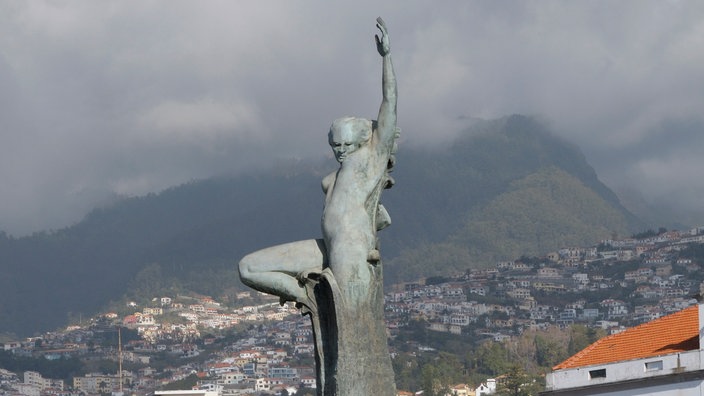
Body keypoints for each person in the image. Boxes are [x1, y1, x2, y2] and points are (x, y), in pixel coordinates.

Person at [238, 17, 397, 307]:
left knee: (351, 317)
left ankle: (321, 302)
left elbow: (389, 105)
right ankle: (308, 297)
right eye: (336, 145)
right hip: (326, 248)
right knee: (248, 267)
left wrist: (386, 58)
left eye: (348, 144)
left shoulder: (370, 159)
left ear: (362, 141)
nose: (341, 150)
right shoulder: (332, 178)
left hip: (351, 246)